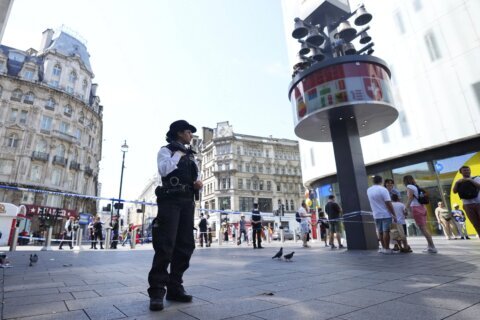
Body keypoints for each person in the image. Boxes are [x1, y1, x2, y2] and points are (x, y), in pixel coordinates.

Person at [148, 120, 202, 312]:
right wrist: (179, 152)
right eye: (189, 132)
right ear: (180, 133)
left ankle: (175, 287)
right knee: (165, 245)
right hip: (170, 201)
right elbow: (164, 170)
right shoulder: (167, 150)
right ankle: (156, 292)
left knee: (186, 244)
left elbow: (195, 177)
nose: (191, 136)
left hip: (188, 202)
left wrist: (197, 183)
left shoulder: (191, 156)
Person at [403, 175, 437, 253]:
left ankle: (432, 246)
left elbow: (410, 198)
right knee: (424, 228)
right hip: (422, 207)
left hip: (416, 208)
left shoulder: (409, 186)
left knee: (423, 229)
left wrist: (406, 208)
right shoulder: (416, 186)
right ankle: (430, 246)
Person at [367, 176, 397, 254]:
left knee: (380, 232)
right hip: (385, 214)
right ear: (381, 181)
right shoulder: (383, 190)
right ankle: (387, 248)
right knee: (386, 231)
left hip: (376, 214)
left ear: (373, 181)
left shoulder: (369, 190)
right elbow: (388, 203)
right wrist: (394, 214)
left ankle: (383, 248)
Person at [453, 166, 480, 237]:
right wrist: (457, 183)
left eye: (468, 170)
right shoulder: (459, 181)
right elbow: (454, 191)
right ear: (461, 172)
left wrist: (470, 180)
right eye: (465, 170)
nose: (467, 171)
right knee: (475, 223)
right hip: (467, 205)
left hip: (478, 203)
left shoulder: (476, 178)